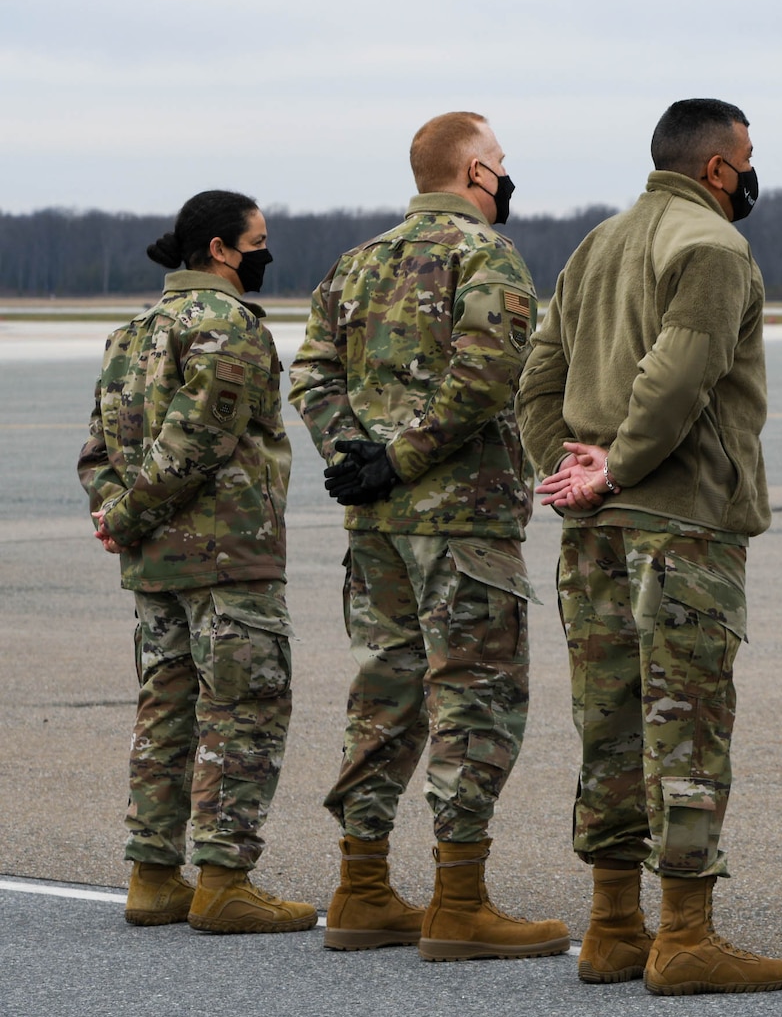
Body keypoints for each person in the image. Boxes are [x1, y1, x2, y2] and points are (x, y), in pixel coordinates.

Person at [517, 98, 782, 997]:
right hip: (676, 526)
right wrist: (617, 467)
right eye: (746, 157)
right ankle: (684, 935)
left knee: (609, 724)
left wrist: (565, 468)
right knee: (686, 726)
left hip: (593, 535)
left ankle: (611, 928)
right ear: (718, 168)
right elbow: (680, 373)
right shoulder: (712, 248)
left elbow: (539, 373)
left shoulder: (596, 244)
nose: (752, 172)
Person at [290, 111, 567, 961]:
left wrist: (357, 455)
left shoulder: (356, 264)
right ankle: (458, 901)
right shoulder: (486, 257)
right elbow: (490, 371)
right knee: (476, 697)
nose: (506, 178)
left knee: (385, 692)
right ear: (475, 172)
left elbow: (311, 371)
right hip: (460, 519)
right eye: (501, 164)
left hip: (375, 525)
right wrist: (402, 458)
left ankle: (362, 884)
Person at [79, 190, 316, 935]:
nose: (265, 253)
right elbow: (196, 445)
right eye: (258, 240)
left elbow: (99, 450)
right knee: (243, 710)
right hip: (227, 558)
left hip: (157, 565)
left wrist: (119, 515)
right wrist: (126, 515)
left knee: (166, 709)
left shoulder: (131, 332)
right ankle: (224, 879)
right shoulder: (226, 327)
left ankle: (153, 876)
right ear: (220, 249)